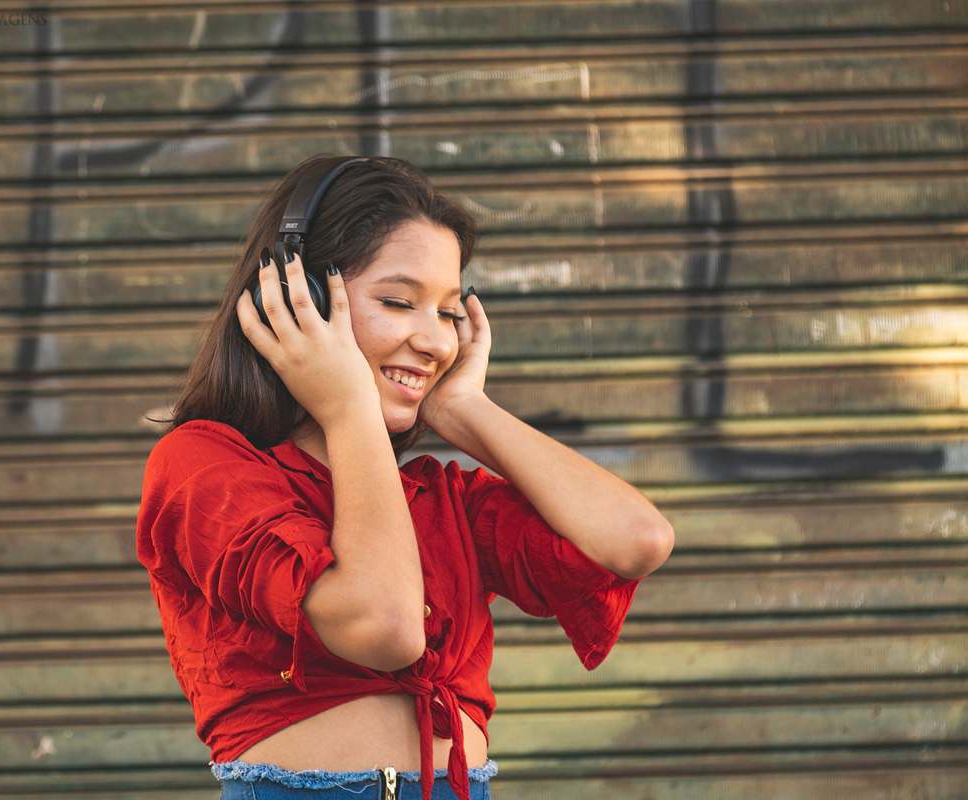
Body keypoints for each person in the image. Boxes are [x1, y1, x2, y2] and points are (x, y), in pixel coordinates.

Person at [136, 155, 674, 800]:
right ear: (293, 297)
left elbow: (635, 540)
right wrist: (347, 407)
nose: (435, 341)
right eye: (398, 301)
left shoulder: (438, 496)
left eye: (449, 313)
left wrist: (466, 411)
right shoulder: (206, 463)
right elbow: (385, 629)